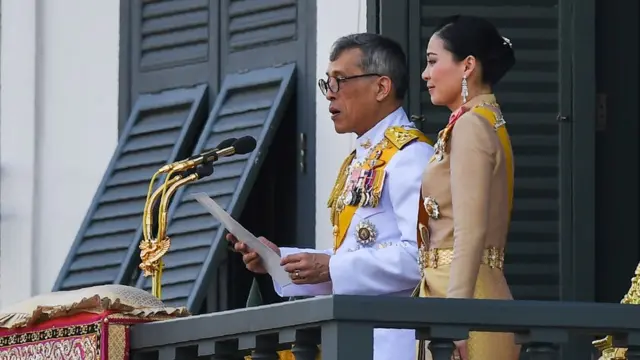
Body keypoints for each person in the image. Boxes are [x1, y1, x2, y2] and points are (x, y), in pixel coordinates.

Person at [228, 33, 435, 360]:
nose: (330, 95)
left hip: (393, 340)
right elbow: (352, 253)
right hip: (354, 335)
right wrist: (281, 259)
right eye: (328, 83)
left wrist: (332, 267)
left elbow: (420, 259)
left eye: (341, 81)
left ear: (381, 87)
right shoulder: (362, 157)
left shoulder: (410, 155)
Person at [416, 15, 519, 360]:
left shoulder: (472, 125)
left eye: (432, 62)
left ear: (467, 66)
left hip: (463, 301)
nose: (425, 74)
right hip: (466, 295)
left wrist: (454, 317)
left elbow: (470, 231)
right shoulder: (484, 118)